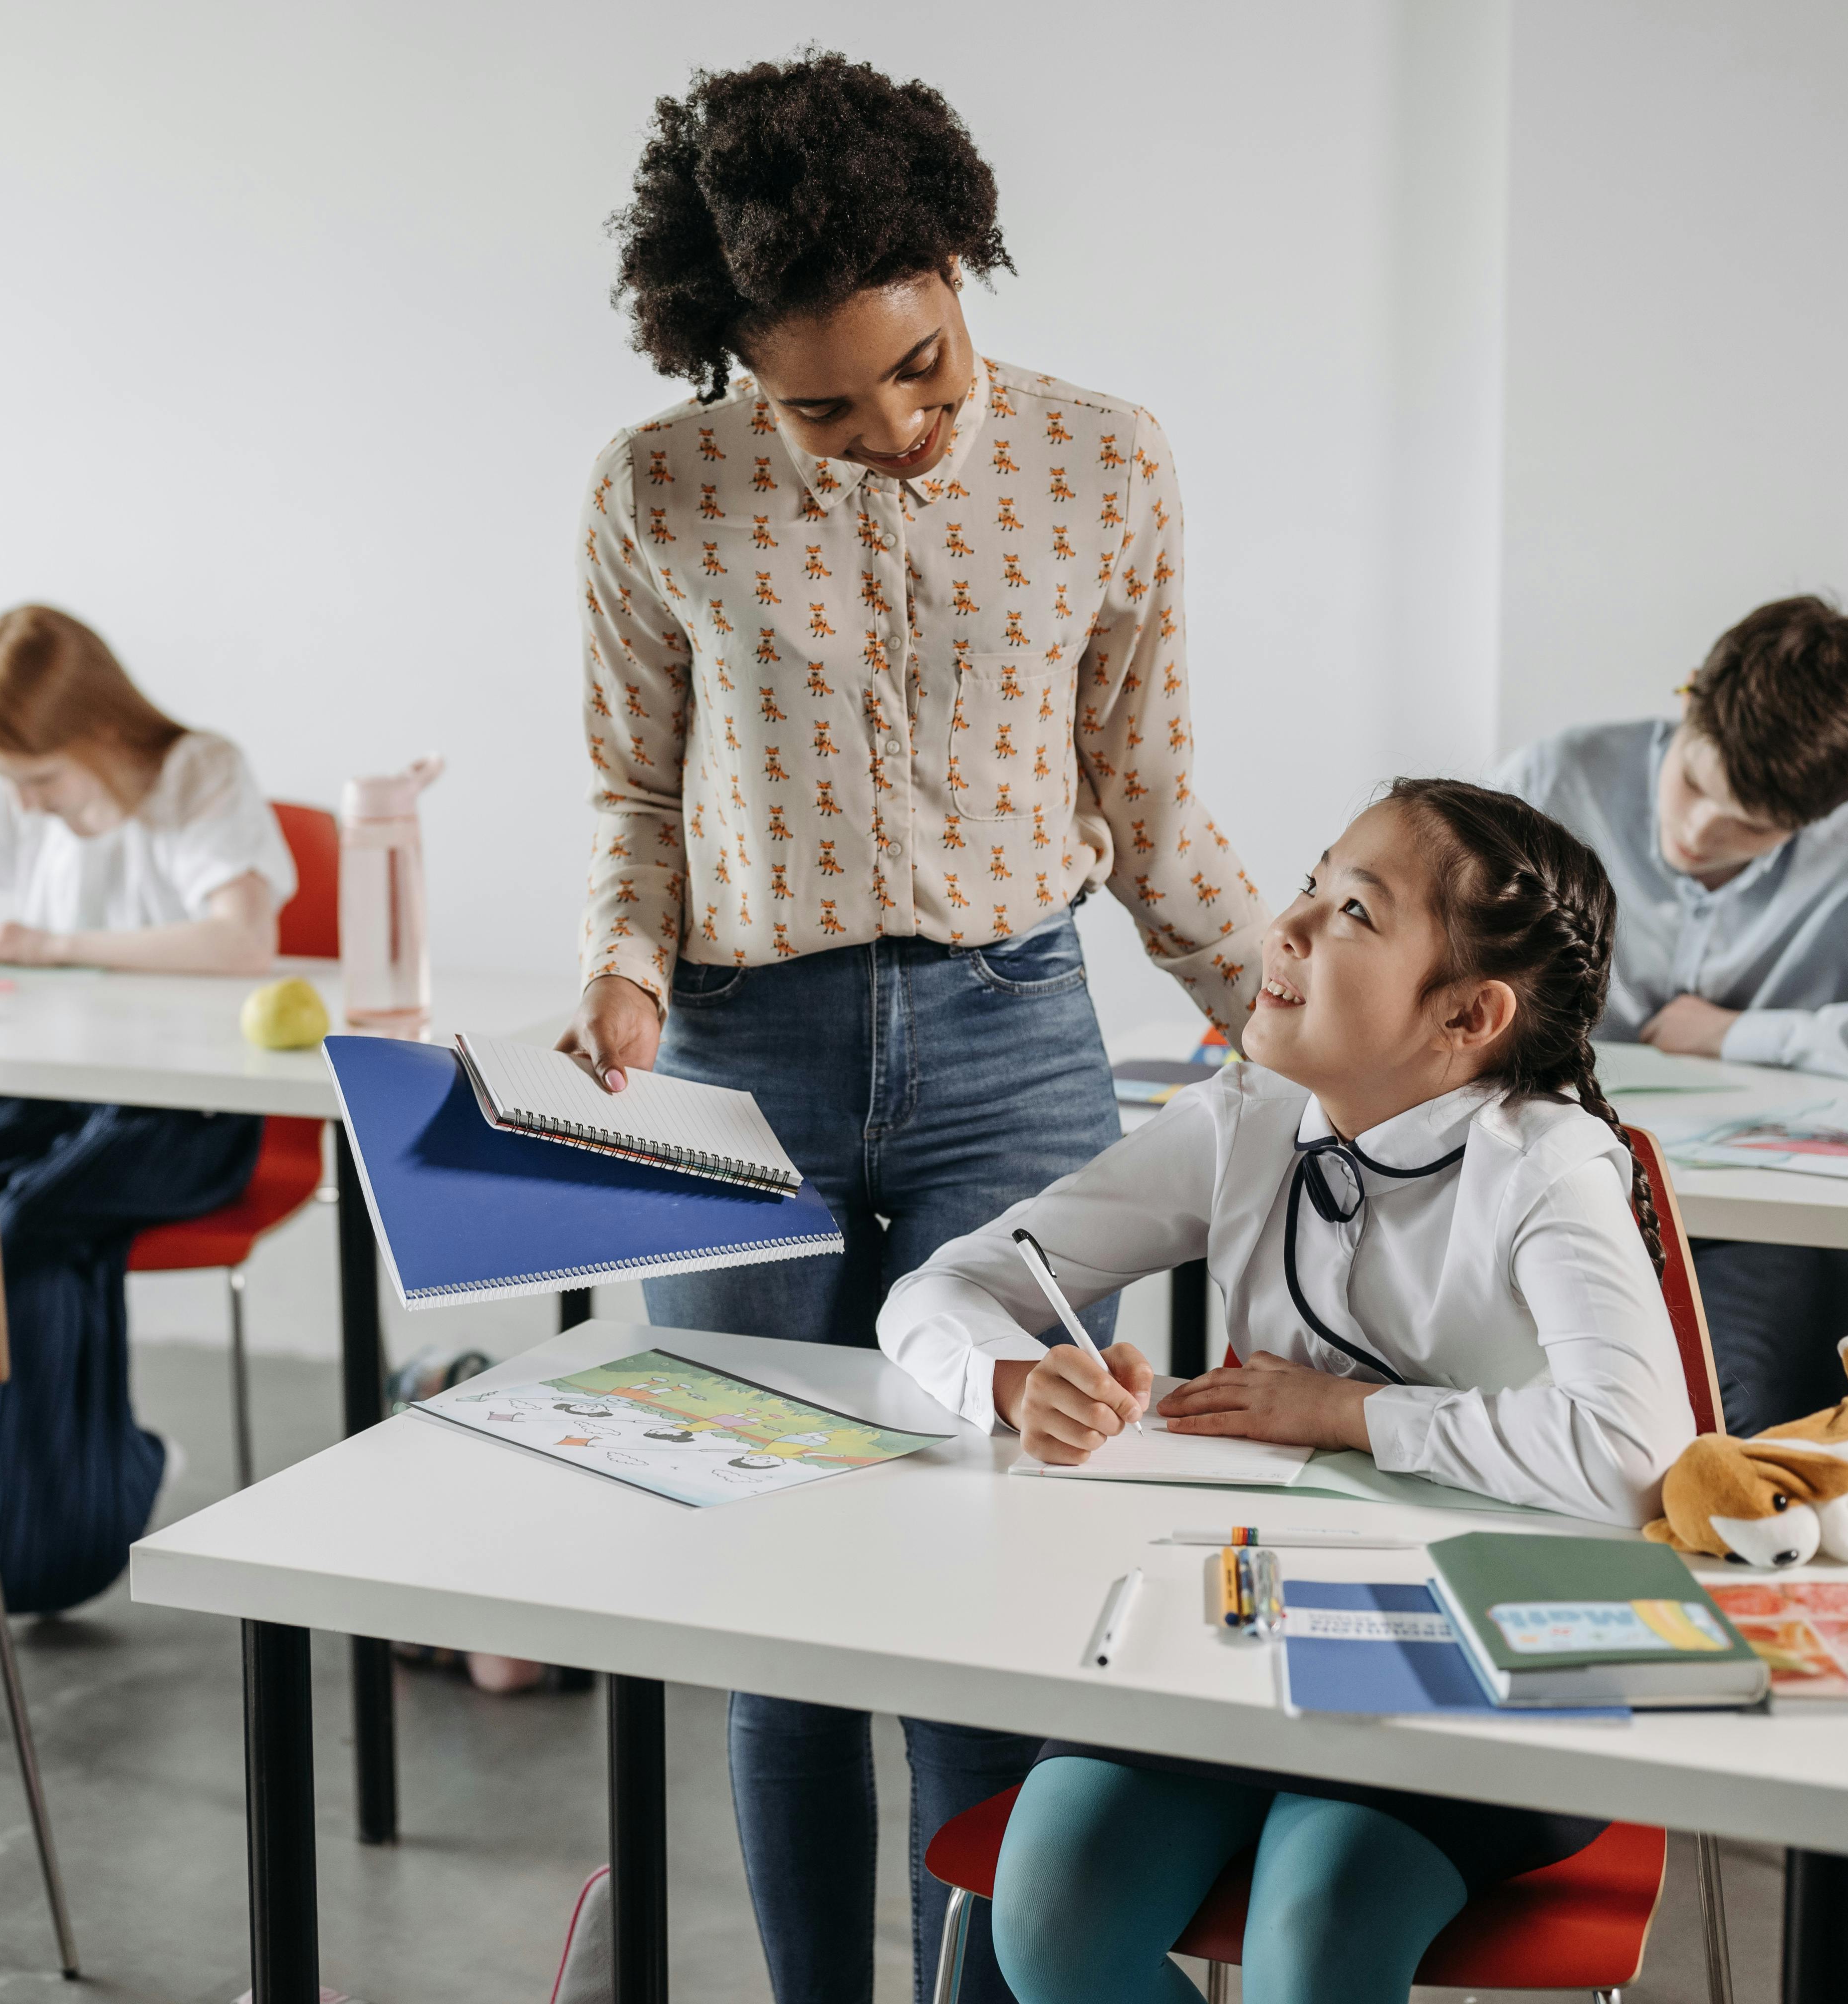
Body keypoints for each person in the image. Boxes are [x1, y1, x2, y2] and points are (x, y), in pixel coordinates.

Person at [552, 53, 1267, 2004]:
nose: (891, 429)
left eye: (924, 368)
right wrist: (620, 959)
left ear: (964, 269)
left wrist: (1296, 1027)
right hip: (734, 1058)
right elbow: (632, 791)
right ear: (731, 360)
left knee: (983, 1574)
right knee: (776, 1592)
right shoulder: (654, 491)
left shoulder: (1107, 463)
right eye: (821, 403)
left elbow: (1152, 798)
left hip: (1013, 1038)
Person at [880, 779, 1695, 2004]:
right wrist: (1007, 1379)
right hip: (1240, 1632)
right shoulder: (1246, 1118)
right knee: (1051, 1912)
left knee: (1313, 1936)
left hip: (1485, 1664)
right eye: (1311, 883)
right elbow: (934, 1290)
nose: (1288, 925)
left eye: (1354, 913)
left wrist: (1344, 1411)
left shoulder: (1547, 1165)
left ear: (1468, 1013)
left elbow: (1634, 1450)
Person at [0, 603, 290, 1654]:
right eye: (9, 781)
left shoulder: (200, 774)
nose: (23, 802)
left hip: (192, 1115)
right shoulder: (18, 779)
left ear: (99, 728)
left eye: (40, 780)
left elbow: (244, 938)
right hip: (56, 1095)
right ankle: (86, 1489)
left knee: (23, 1222)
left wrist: (54, 944)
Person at [1494, 595, 1848, 1432]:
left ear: (1837, 806)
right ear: (1690, 697)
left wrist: (1739, 1034)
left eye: (1750, 829)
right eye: (1692, 782)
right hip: (1540, 1192)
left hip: (1763, 1233)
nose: (1694, 833)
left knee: (1773, 1414)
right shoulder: (1553, 780)